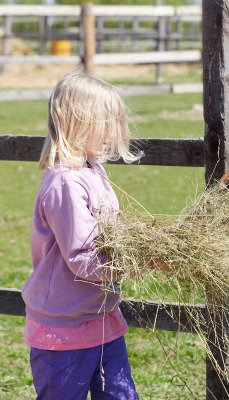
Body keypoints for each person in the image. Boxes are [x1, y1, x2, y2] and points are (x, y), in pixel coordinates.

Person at [21, 72, 142, 400]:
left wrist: (135, 242)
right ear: (76, 121)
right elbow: (83, 257)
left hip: (101, 316)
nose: (113, 132)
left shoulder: (92, 170)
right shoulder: (66, 185)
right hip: (63, 329)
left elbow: (109, 232)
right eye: (106, 123)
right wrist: (134, 263)